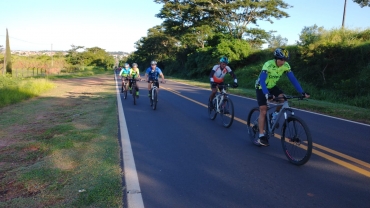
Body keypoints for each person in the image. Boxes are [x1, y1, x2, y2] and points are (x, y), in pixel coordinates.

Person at [255, 48, 310, 146]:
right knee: (263, 110)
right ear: (276, 58)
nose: (283, 62)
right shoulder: (268, 64)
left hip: (272, 86)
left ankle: (274, 115)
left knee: (283, 98)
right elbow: (262, 80)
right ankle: (261, 136)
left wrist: (302, 92)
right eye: (281, 59)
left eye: (285, 60)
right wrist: (266, 93)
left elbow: (293, 80)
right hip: (261, 87)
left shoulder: (286, 66)